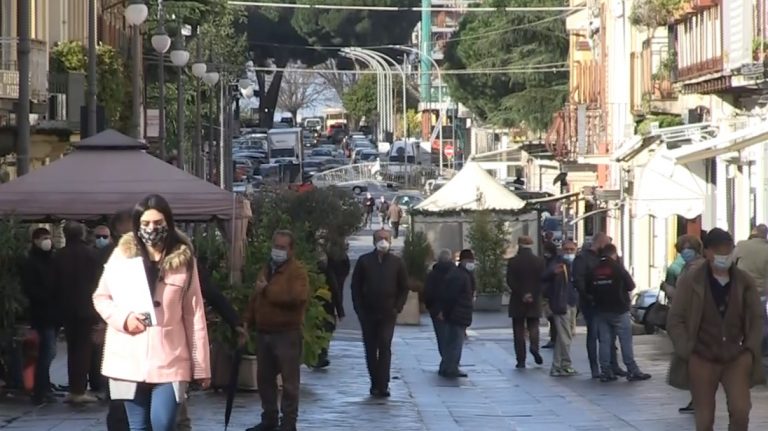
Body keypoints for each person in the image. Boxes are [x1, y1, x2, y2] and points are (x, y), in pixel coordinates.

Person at [93, 194, 211, 431]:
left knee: (164, 423)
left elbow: (194, 313)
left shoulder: (183, 260)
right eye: (145, 224)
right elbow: (101, 297)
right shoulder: (122, 255)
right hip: (128, 357)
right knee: (138, 427)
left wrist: (201, 367)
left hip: (170, 358)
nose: (151, 229)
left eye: (158, 223)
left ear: (168, 222)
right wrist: (124, 320)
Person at [667, 228, 765, 431]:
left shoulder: (744, 281)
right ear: (708, 252)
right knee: (704, 417)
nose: (724, 255)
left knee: (741, 411)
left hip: (736, 355)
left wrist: (749, 348)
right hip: (701, 355)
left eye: (728, 250)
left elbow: (756, 317)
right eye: (719, 251)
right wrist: (687, 349)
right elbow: (676, 318)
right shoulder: (691, 280)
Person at [242, 230, 310, 431]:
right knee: (264, 379)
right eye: (276, 246)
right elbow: (256, 298)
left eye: (282, 247)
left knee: (289, 382)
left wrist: (268, 291)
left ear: (291, 250)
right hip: (264, 332)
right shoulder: (267, 269)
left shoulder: (297, 272)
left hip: (286, 333)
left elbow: (297, 298)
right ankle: (269, 418)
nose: (277, 251)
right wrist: (247, 321)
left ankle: (288, 423)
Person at [351, 229, 409, 397]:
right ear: (374, 241)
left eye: (386, 238)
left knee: (384, 345)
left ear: (390, 241)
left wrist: (397, 307)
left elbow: (404, 287)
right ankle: (374, 382)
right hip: (368, 313)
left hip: (388, 313)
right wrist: (359, 308)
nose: (383, 241)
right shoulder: (364, 261)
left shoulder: (397, 262)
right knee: (370, 348)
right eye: (379, 238)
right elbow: (356, 287)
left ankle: (383, 384)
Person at [53, 221, 102, 404]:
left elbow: (55, 283)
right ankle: (80, 390)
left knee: (72, 348)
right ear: (82, 235)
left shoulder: (59, 255)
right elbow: (98, 281)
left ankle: (75, 387)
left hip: (66, 308)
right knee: (84, 349)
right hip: (88, 308)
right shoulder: (91, 254)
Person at [590, 244, 651, 382]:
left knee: (604, 342)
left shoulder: (594, 269)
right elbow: (631, 286)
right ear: (614, 254)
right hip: (619, 309)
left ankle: (605, 371)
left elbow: (588, 288)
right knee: (625, 341)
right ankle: (632, 370)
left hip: (601, 310)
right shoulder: (617, 268)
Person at [572, 232, 625, 378]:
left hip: (609, 302)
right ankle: (596, 367)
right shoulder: (583, 258)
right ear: (600, 243)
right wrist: (589, 297)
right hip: (592, 303)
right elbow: (579, 281)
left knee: (610, 335)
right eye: (607, 243)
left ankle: (613, 365)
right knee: (594, 334)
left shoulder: (607, 258)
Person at [664, 234, 705, 414]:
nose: (684, 253)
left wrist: (668, 290)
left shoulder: (697, 269)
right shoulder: (689, 267)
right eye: (682, 250)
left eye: (687, 249)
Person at [20, 227, 58, 405]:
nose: (47, 241)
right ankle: (40, 390)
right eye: (43, 238)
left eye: (48, 237)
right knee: (47, 352)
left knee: (48, 352)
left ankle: (44, 387)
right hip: (41, 314)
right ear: (35, 240)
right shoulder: (31, 262)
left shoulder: (51, 259)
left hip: (53, 313)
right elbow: (30, 289)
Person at [506, 236, 546, 368]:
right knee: (534, 326)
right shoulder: (539, 261)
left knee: (518, 329)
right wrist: (532, 294)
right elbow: (542, 281)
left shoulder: (513, 261)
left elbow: (510, 281)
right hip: (534, 300)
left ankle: (521, 359)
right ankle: (534, 347)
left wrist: (522, 294)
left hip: (518, 299)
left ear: (519, 244)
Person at [543, 240, 579, 377]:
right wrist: (553, 272)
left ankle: (559, 365)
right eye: (566, 249)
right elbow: (544, 277)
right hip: (560, 303)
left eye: (572, 249)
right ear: (561, 250)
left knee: (564, 336)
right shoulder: (557, 263)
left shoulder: (575, 264)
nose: (569, 252)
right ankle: (564, 364)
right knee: (565, 336)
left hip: (571, 302)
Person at [438, 249, 475, 378]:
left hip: (456, 313)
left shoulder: (460, 274)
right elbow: (452, 296)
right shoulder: (461, 275)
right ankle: (451, 368)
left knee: (450, 342)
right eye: (470, 261)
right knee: (455, 342)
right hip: (457, 313)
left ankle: (446, 366)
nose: (472, 263)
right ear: (463, 261)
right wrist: (447, 311)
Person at [424, 249, 457, 374]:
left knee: (442, 338)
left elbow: (428, 294)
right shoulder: (456, 274)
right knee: (453, 339)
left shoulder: (432, 275)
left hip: (437, 311)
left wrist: (434, 310)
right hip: (453, 311)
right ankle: (450, 364)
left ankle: (445, 362)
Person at [315, 249, 345, 368]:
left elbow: (335, 292)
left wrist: (340, 310)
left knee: (324, 331)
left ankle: (321, 356)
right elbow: (336, 292)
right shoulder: (326, 273)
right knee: (323, 331)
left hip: (326, 308)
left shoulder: (328, 273)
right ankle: (320, 356)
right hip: (323, 308)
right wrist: (340, 310)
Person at [733, 224, 768, 294]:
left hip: (741, 288)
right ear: (766, 235)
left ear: (755, 232)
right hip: (760, 292)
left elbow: (732, 261)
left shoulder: (741, 244)